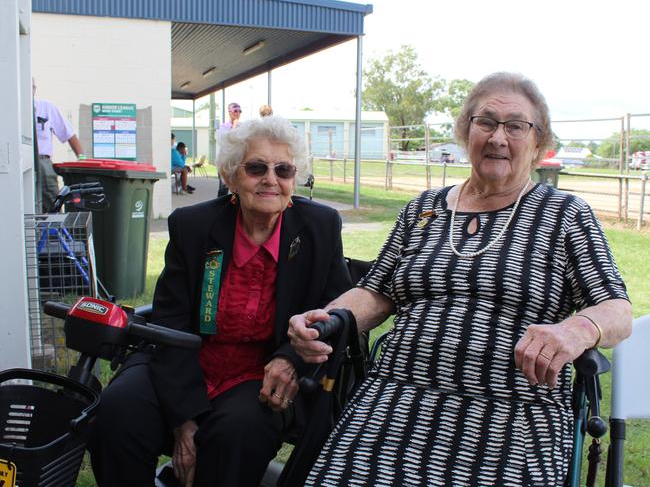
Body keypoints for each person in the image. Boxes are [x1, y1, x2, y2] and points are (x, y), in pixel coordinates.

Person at [289, 72, 633, 485]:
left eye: (516, 126)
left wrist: (578, 330)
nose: (498, 137)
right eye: (485, 122)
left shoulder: (565, 215)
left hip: (512, 415)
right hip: (397, 398)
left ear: (538, 142)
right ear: (466, 130)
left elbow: (617, 308)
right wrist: (324, 319)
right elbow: (375, 291)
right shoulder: (424, 209)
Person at [89, 116, 352, 486]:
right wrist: (184, 421)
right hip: (184, 359)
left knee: (237, 432)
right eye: (256, 167)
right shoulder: (193, 226)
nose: (271, 179)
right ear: (230, 176)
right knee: (119, 410)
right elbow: (171, 322)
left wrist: (291, 358)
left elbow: (335, 311)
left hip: (261, 370)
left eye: (284, 169)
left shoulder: (320, 227)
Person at [33, 79, 85, 212]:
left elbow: (69, 134)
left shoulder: (46, 107)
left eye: (32, 87)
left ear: (35, 89)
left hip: (42, 161)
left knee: (51, 204)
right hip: (21, 161)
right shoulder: (12, 111)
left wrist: (82, 159)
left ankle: (52, 231)